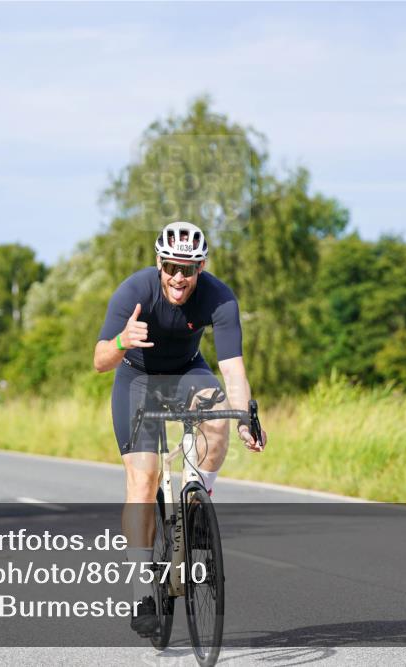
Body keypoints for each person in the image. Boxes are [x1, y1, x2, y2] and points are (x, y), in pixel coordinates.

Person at [94, 221, 267, 636]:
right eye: (171, 267)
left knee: (219, 415)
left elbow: (232, 369)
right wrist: (121, 342)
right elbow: (100, 359)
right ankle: (141, 592)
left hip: (188, 371)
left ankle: (196, 508)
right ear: (159, 263)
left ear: (201, 268)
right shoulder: (135, 291)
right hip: (136, 378)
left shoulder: (219, 298)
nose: (178, 277)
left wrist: (245, 417)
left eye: (188, 269)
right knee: (143, 479)